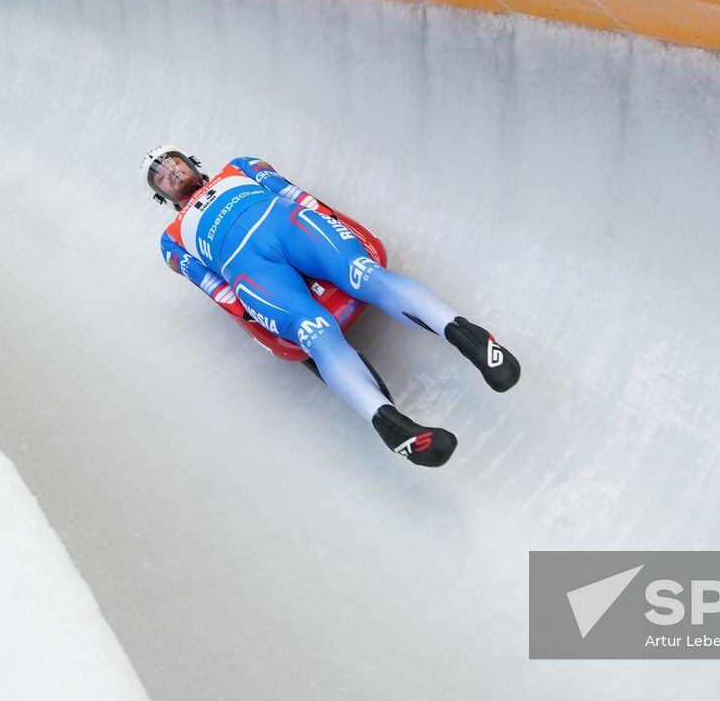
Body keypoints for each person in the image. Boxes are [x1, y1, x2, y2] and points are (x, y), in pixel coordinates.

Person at [143, 145, 519, 467]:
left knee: (362, 273)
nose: (171, 172)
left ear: (191, 161)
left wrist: (338, 230)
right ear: (161, 194)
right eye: (160, 175)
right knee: (313, 332)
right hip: (253, 271)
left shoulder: (239, 167)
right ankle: (394, 426)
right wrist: (248, 310)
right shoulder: (172, 239)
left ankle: (473, 340)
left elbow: (296, 196)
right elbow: (212, 286)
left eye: (173, 162)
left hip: (292, 227)